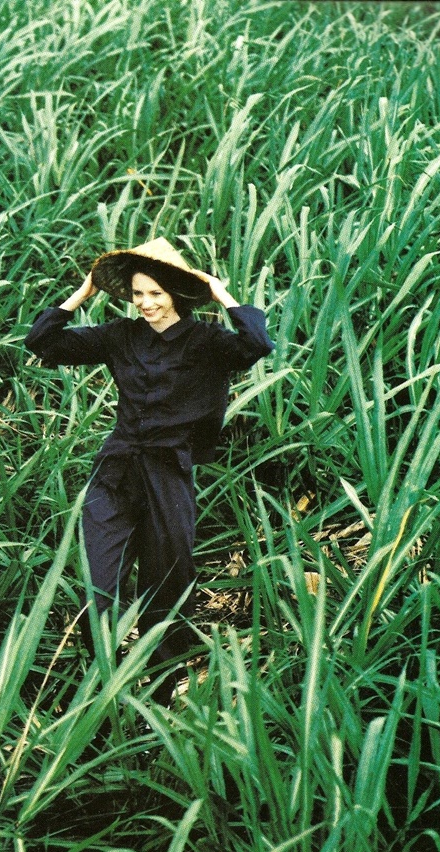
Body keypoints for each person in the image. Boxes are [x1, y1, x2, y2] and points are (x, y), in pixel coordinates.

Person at [25, 237, 274, 704]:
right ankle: (101, 688)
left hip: (169, 474)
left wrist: (221, 294)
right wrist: (83, 293)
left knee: (169, 585)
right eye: (138, 294)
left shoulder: (207, 341)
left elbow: (257, 344)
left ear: (176, 294)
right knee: (99, 586)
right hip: (116, 473)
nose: (146, 303)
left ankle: (159, 694)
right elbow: (43, 342)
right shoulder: (121, 335)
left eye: (156, 293)